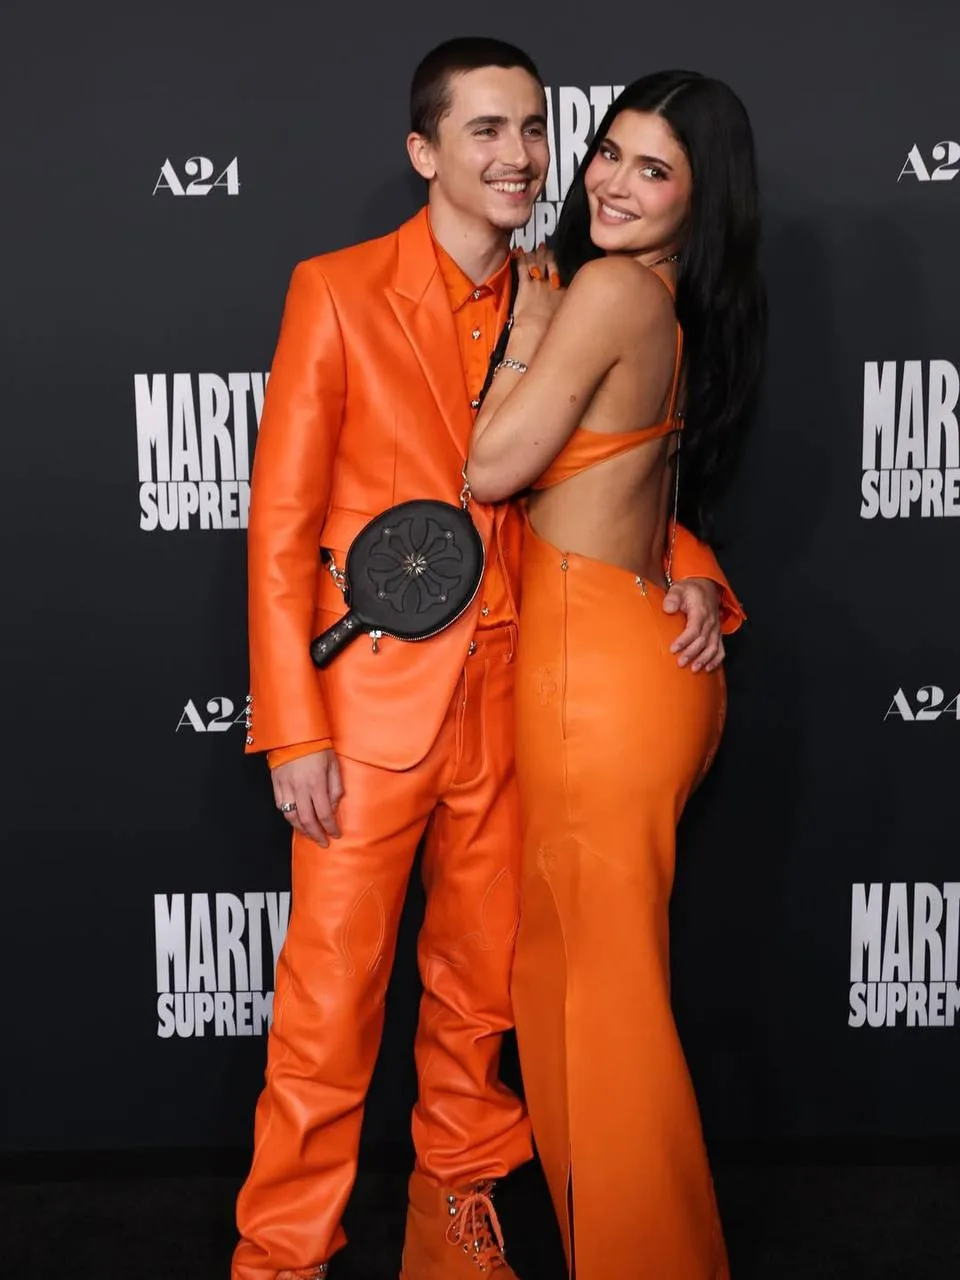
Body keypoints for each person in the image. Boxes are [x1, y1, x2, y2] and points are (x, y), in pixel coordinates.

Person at [234, 41, 742, 1280]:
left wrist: (693, 572)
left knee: (478, 1006)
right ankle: (282, 1258)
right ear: (425, 151)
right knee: (327, 1009)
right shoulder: (336, 290)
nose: (520, 156)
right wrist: (293, 727)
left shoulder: (565, 290)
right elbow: (281, 526)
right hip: (369, 713)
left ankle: (451, 1235)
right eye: (486, 130)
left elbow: (616, 472)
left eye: (532, 129)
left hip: (521, 706)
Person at [467, 70, 762, 1280]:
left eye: (656, 169)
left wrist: (527, 333)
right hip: (632, 655)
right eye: (610, 153)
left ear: (701, 196)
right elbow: (636, 491)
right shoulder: (671, 300)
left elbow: (493, 466)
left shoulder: (603, 290)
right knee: (578, 989)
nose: (616, 184)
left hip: (593, 678)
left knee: (601, 1007)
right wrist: (697, 578)